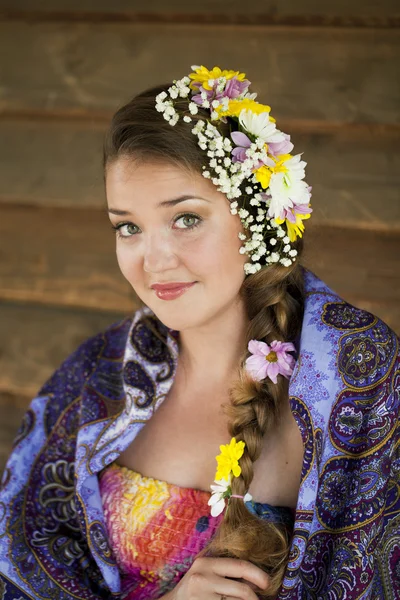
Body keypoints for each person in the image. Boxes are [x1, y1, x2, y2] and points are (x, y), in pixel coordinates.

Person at [0, 65, 399, 600]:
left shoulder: (363, 376)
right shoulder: (96, 374)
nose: (154, 260)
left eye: (185, 218)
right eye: (128, 227)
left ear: (255, 218)